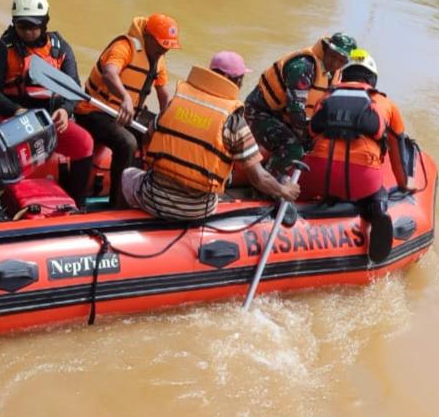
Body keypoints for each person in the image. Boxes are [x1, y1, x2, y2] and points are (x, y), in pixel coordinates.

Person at [120, 51, 300, 221]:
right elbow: (259, 178)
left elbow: (149, 139)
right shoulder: (234, 121)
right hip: (198, 210)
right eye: (241, 79)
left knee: (128, 174)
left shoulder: (175, 103)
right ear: (234, 81)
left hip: (153, 199)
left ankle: (118, 220)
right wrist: (284, 190)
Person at [0, 0, 94, 206]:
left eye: (35, 26)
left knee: (85, 143)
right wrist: (17, 112)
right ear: (14, 23)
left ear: (45, 22)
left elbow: (74, 89)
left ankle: (76, 204)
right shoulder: (3, 48)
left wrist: (65, 110)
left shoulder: (61, 49)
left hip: (47, 118)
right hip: (9, 113)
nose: (29, 32)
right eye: (23, 26)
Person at [302, 49, 412, 261]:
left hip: (318, 176)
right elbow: (398, 152)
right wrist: (404, 184)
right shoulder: (386, 104)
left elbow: (311, 136)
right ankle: (378, 209)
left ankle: (290, 212)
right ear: (372, 79)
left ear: (344, 75)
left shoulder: (324, 99)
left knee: (295, 185)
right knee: (377, 190)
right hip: (361, 180)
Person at [76, 13, 180, 208]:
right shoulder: (125, 47)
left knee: (161, 138)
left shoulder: (158, 58)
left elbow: (163, 94)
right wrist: (125, 97)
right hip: (94, 111)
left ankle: (153, 193)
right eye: (161, 46)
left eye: (167, 47)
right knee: (127, 143)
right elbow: (110, 72)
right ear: (148, 37)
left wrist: (166, 121)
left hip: (125, 115)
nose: (163, 51)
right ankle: (118, 205)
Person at [245, 32, 357, 174]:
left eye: (341, 60)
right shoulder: (303, 67)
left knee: (315, 144)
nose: (335, 63)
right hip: (260, 112)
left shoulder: (334, 74)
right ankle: (264, 190)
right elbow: (296, 112)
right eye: (333, 56)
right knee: (292, 148)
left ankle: (284, 177)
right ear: (326, 49)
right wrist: (311, 134)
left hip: (282, 116)